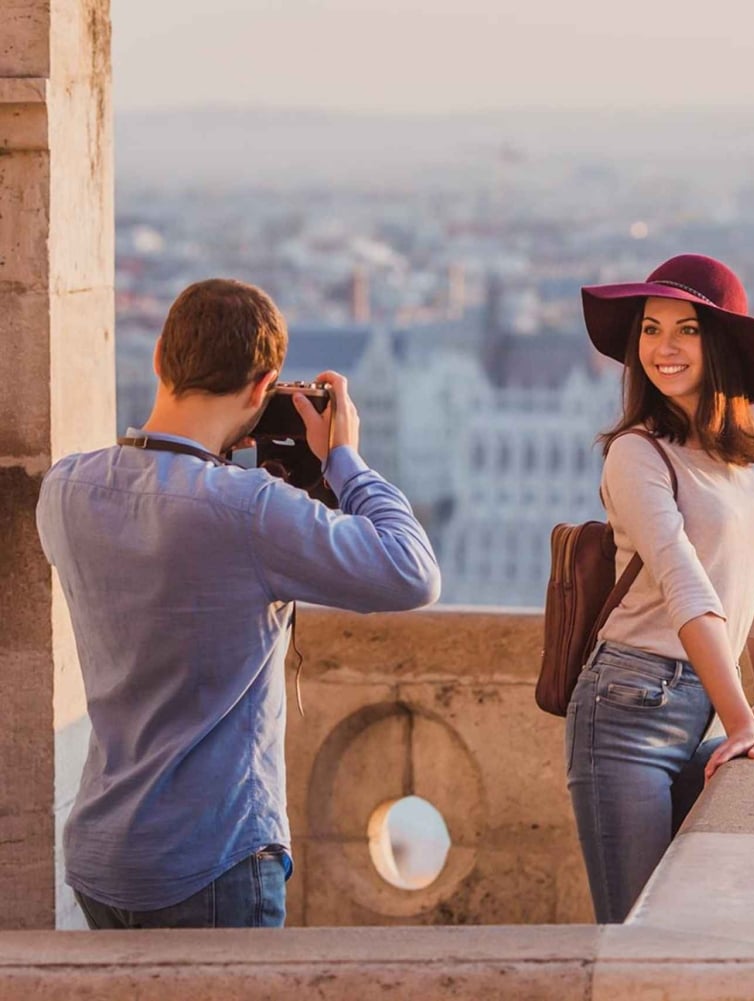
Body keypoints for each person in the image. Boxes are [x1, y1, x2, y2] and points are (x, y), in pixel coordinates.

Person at [36, 278, 442, 929]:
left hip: (101, 854)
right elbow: (412, 571)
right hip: (210, 856)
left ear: (160, 355)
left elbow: (165, 528)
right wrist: (346, 461)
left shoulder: (65, 489)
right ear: (263, 389)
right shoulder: (247, 510)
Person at [566, 253, 754, 923]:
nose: (662, 348)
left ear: (720, 341)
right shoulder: (637, 452)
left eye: (686, 330)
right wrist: (742, 717)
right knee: (639, 932)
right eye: (649, 329)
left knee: (695, 925)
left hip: (699, 698)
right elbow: (686, 586)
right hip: (624, 712)